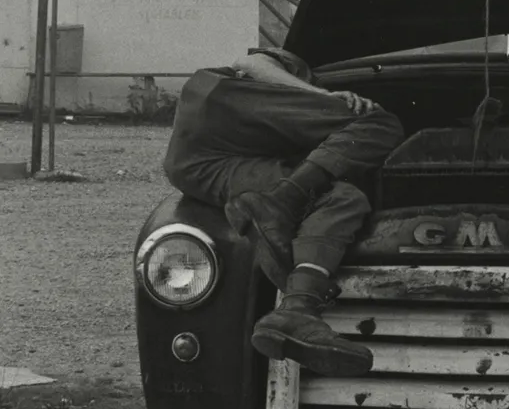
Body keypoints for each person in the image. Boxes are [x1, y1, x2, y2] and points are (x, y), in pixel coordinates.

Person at [163, 47, 405, 376]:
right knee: (378, 121)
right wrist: (322, 93)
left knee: (343, 199)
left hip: (197, 165)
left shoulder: (303, 150)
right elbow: (249, 63)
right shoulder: (300, 69)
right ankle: (283, 202)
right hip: (218, 104)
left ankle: (297, 312)